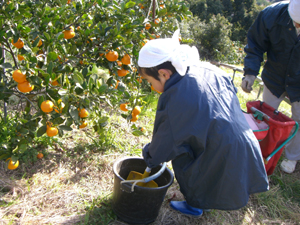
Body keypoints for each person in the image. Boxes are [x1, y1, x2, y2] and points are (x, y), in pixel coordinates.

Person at [137, 30, 269, 217]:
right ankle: (205, 200)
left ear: (164, 74)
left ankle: (196, 205)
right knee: (205, 149)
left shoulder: (175, 96)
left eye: (150, 81)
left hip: (219, 150)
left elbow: (167, 140)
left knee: (185, 158)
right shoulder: (209, 70)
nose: (152, 87)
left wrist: (150, 156)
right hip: (246, 141)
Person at [242, 0, 300, 174]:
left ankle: (292, 156)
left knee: (299, 121)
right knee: (264, 116)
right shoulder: (271, 15)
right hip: (275, 75)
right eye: (296, 22)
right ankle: (256, 149)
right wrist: (250, 72)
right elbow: (255, 43)